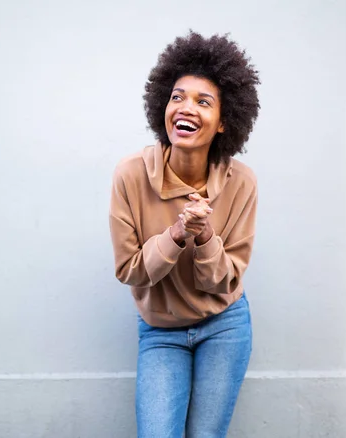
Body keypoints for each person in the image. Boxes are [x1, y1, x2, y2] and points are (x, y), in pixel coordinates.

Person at [109, 31, 261, 438]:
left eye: (202, 101)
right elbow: (130, 270)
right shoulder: (130, 175)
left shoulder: (242, 183)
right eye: (177, 96)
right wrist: (176, 234)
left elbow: (225, 278)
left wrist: (206, 236)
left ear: (225, 121)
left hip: (224, 325)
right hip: (160, 331)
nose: (185, 107)